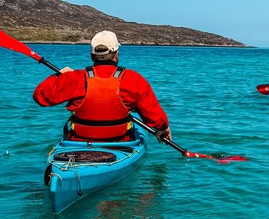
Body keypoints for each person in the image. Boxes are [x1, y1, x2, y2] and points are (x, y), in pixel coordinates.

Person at [33, 31, 171, 143]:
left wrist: (59, 76)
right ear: (116, 54)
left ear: (92, 55)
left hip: (79, 141)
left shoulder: (73, 78)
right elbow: (157, 119)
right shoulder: (134, 79)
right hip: (120, 143)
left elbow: (40, 96)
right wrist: (162, 129)